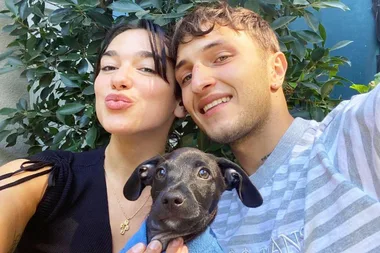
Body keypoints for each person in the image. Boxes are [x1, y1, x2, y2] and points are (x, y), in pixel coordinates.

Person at [129, 2, 380, 253]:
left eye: (221, 57)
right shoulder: (206, 215)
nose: (198, 83)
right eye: (186, 77)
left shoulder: (353, 135)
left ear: (275, 69)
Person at [0, 20, 187, 253]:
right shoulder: (43, 179)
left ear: (180, 101)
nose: (118, 79)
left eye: (146, 68)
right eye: (108, 67)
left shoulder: (195, 202)